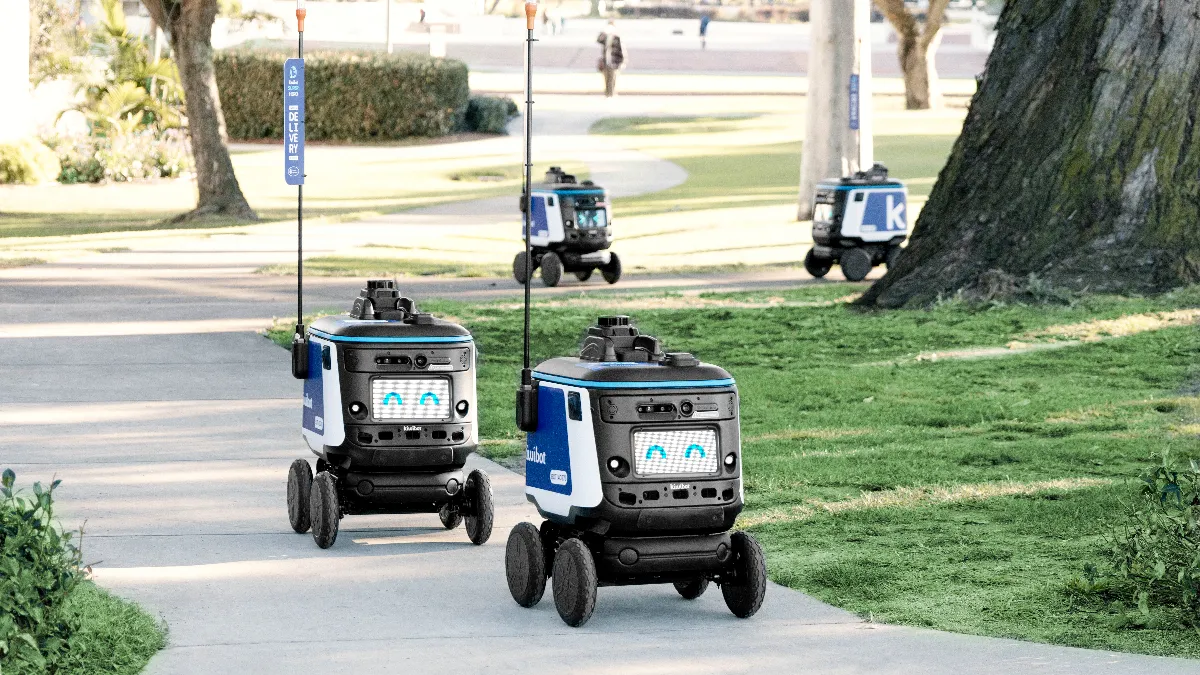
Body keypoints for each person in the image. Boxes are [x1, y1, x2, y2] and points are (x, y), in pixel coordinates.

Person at [597, 20, 626, 98]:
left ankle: (611, 94)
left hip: (614, 61)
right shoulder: (605, 37)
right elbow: (598, 40)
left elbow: (622, 50)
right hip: (606, 61)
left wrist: (623, 61)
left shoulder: (617, 38)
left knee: (613, 78)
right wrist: (604, 32)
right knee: (606, 78)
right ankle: (607, 94)